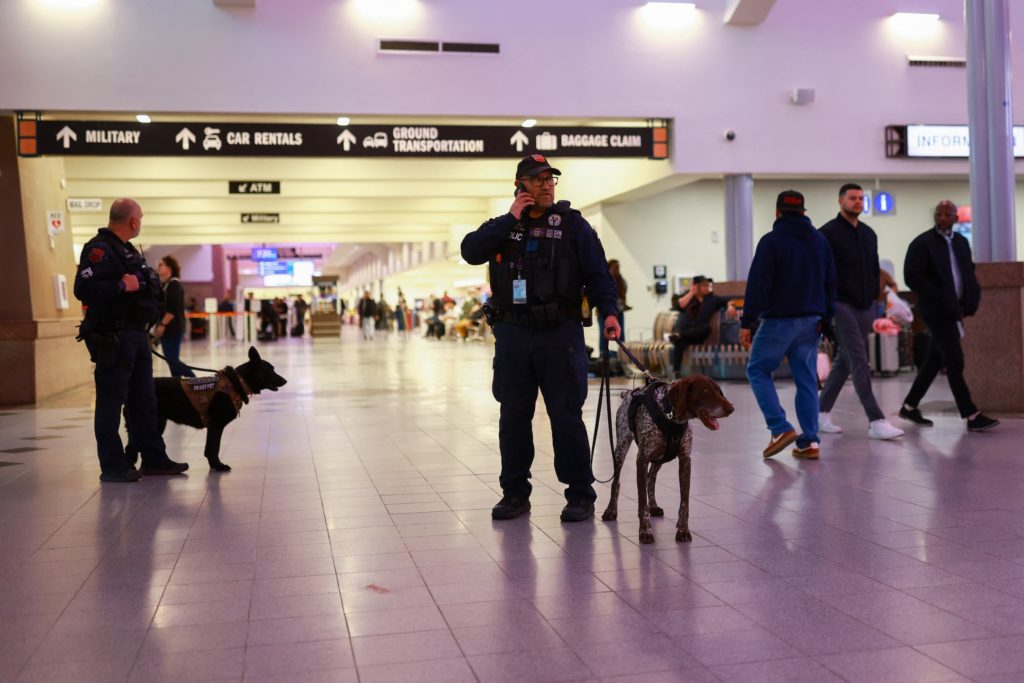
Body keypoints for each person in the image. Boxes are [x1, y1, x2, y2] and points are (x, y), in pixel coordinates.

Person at [461, 154, 621, 522]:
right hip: (514, 335)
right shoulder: (503, 227)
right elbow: (470, 251)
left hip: (559, 335)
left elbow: (599, 275)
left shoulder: (573, 226)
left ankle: (580, 494)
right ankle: (515, 493)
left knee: (566, 416)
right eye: (538, 180)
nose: (547, 185)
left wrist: (610, 312)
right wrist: (510, 218)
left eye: (550, 179)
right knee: (513, 416)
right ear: (520, 186)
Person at [73, 198, 188, 482]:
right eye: (141, 218)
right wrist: (123, 285)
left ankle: (154, 459)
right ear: (133, 221)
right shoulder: (99, 249)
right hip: (114, 337)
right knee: (111, 403)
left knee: (144, 400)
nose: (141, 223)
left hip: (137, 336)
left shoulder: (128, 250)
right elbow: (82, 288)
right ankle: (113, 466)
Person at [740, 190, 837, 460]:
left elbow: (758, 284)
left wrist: (747, 322)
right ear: (803, 213)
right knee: (806, 379)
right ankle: (810, 442)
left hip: (779, 321)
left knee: (758, 370)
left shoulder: (771, 241)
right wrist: (826, 319)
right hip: (812, 322)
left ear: (777, 212)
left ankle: (779, 427)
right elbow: (831, 283)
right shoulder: (820, 241)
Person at [898, 200, 998, 432]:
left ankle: (910, 406)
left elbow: (968, 272)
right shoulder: (922, 243)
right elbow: (912, 276)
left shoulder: (961, 242)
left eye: (947, 214)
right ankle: (971, 414)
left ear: (956, 218)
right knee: (955, 360)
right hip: (935, 311)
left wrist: (971, 299)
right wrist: (939, 295)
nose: (942, 218)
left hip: (954, 309)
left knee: (934, 360)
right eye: (938, 214)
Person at [817, 183, 904, 440]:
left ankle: (819, 413)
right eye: (852, 198)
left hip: (866, 306)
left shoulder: (868, 234)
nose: (858, 202)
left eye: (860, 199)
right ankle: (876, 420)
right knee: (858, 360)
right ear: (840, 201)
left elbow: (874, 269)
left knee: (844, 361)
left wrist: (882, 296)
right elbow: (822, 272)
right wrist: (824, 307)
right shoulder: (827, 234)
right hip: (840, 304)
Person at [669, 275, 735, 378]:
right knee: (680, 343)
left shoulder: (712, 299)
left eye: (708, 285)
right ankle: (676, 372)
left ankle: (679, 335)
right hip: (685, 335)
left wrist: (730, 306)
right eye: (704, 285)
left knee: (707, 328)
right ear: (696, 286)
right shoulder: (687, 297)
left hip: (698, 335)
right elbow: (679, 305)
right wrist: (691, 293)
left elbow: (728, 299)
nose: (707, 288)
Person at [151, 255, 195, 378]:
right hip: (167, 328)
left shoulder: (174, 284)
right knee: (171, 360)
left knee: (172, 359)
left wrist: (162, 325)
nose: (158, 267)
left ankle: (195, 380)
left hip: (173, 328)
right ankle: (177, 383)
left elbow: (173, 309)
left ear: (169, 267)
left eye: (161, 264)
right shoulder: (165, 284)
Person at [600, 259, 629, 359]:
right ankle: (604, 355)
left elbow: (623, 295)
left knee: (621, 333)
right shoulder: (604, 280)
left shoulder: (622, 281)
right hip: (604, 313)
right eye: (615, 267)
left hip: (619, 311)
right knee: (604, 333)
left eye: (618, 267)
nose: (617, 269)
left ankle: (621, 355)